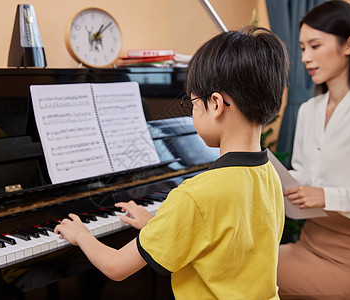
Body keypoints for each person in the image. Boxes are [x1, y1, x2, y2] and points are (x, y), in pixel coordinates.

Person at [54, 26, 289, 299]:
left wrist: (81, 234)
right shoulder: (268, 173)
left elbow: (117, 267)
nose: (192, 113)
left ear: (215, 104)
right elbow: (224, 239)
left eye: (192, 104)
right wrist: (156, 224)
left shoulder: (196, 195)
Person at [277, 1, 350, 299]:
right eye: (303, 48)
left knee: (243, 270)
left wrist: (326, 195)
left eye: (315, 46)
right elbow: (303, 175)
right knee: (239, 263)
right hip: (309, 242)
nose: (305, 57)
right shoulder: (309, 110)